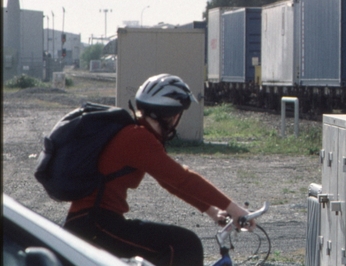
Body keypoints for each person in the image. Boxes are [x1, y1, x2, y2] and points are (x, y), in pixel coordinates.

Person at [63, 74, 255, 266]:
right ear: (171, 116)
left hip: (95, 223)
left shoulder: (137, 133)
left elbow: (170, 182)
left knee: (178, 245)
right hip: (94, 225)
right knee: (183, 245)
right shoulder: (137, 138)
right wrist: (235, 209)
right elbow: (182, 179)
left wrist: (213, 211)